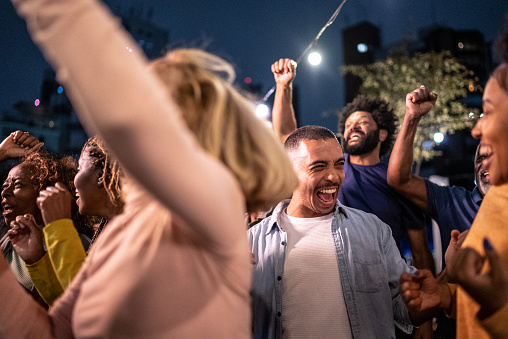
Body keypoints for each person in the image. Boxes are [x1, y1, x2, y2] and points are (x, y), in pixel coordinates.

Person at [1, 0, 297, 337]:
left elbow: (125, 114)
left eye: (159, 109)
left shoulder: (215, 205)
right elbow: (54, 332)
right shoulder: (118, 233)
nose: (148, 123)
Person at [269, 58, 435, 337]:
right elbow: (289, 138)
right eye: (348, 124)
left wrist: (425, 321)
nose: (352, 127)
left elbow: (420, 252)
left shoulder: (397, 181)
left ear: (382, 133)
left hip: (376, 297)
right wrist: (283, 87)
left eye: (362, 122)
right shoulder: (327, 170)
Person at [248, 124, 437, 338]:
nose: (333, 176)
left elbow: (403, 306)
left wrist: (431, 298)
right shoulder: (252, 242)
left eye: (339, 164)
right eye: (318, 166)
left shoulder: (373, 230)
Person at [399, 62, 508, 339]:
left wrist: (495, 306)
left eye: (490, 113)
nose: (476, 129)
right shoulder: (494, 207)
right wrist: (445, 292)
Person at [8, 136, 124, 306]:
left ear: (101, 176)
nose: (74, 182)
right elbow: (67, 305)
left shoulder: (132, 233)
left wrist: (59, 225)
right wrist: (36, 259)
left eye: (80, 169)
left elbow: (83, 303)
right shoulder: (108, 231)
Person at [387, 85, 491, 271]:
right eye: (480, 158)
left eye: (495, 156)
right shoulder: (453, 202)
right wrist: (412, 117)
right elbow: (399, 179)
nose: (486, 164)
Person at [1, 150, 91, 306]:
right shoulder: (6, 233)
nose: (5, 192)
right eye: (4, 186)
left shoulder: (76, 243)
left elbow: (69, 308)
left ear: (46, 192)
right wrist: (2, 152)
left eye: (17, 185)